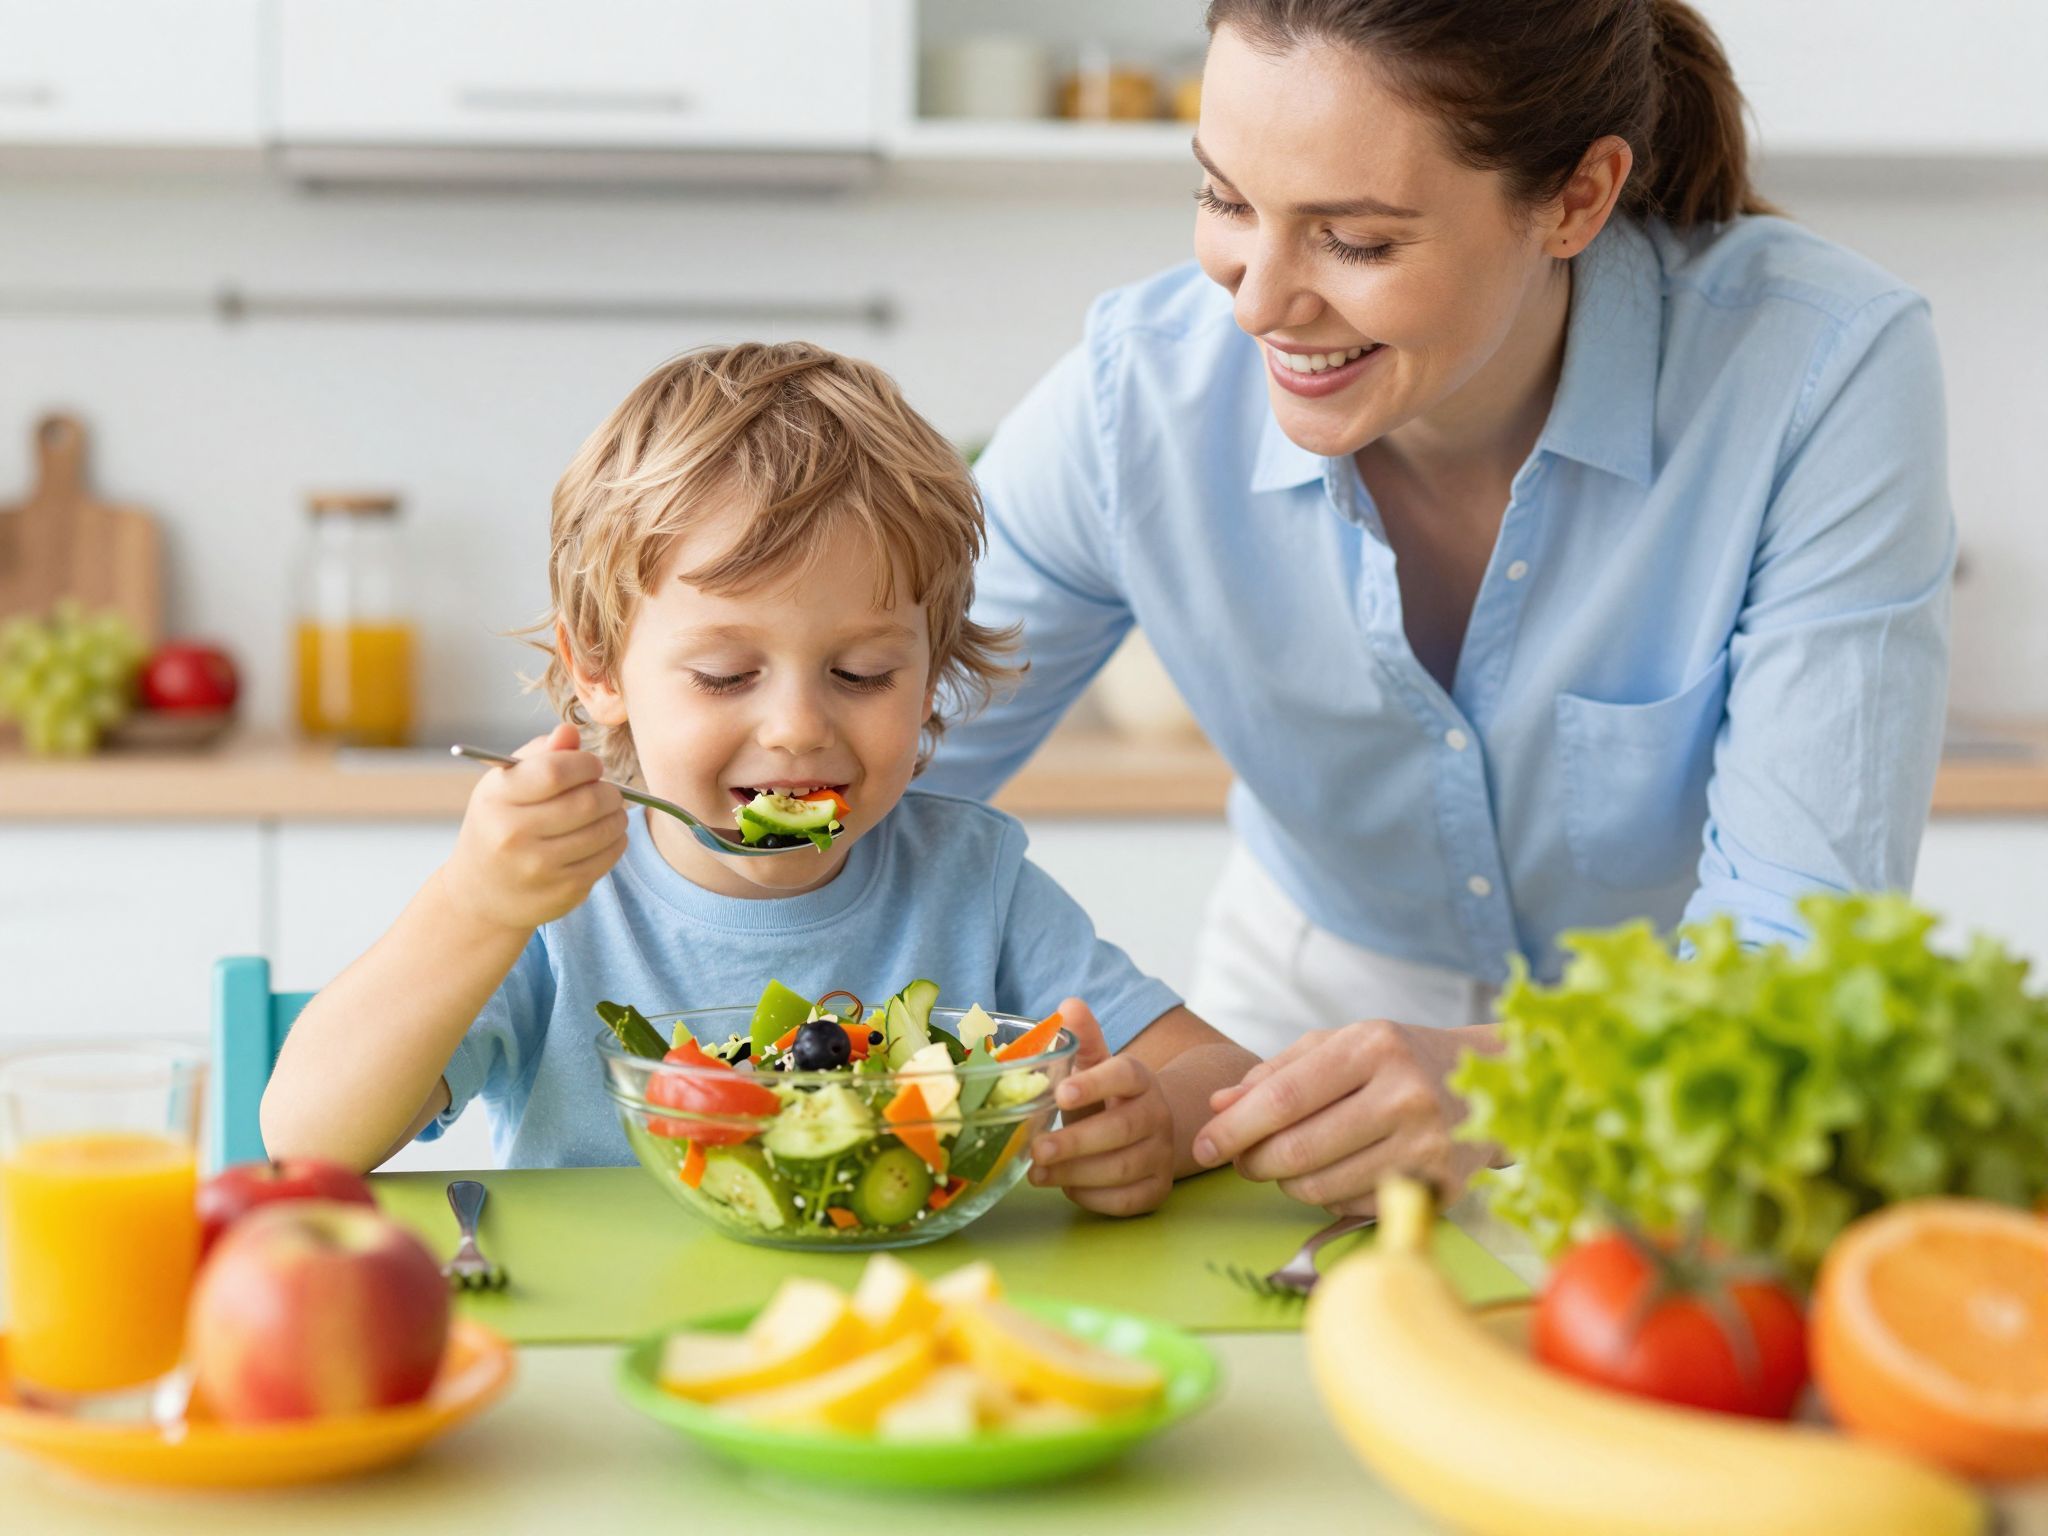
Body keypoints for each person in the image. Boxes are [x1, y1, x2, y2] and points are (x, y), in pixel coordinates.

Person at [921, 0, 1954, 1216]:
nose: (1256, 303)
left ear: (1575, 198)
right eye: (1223, 200)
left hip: (1675, 1066)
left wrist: (1505, 1086)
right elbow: (882, 759)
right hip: (1288, 1039)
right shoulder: (1133, 396)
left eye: (1354, 240)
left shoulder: (1817, 371)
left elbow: (1797, 958)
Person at [262, 341, 1258, 1217]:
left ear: (930, 679)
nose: (795, 728)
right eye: (725, 675)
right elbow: (306, 1138)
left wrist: (1150, 1125)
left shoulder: (970, 881)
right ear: (597, 672)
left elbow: (1224, 1081)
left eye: (862, 673)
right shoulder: (554, 905)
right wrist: (474, 907)